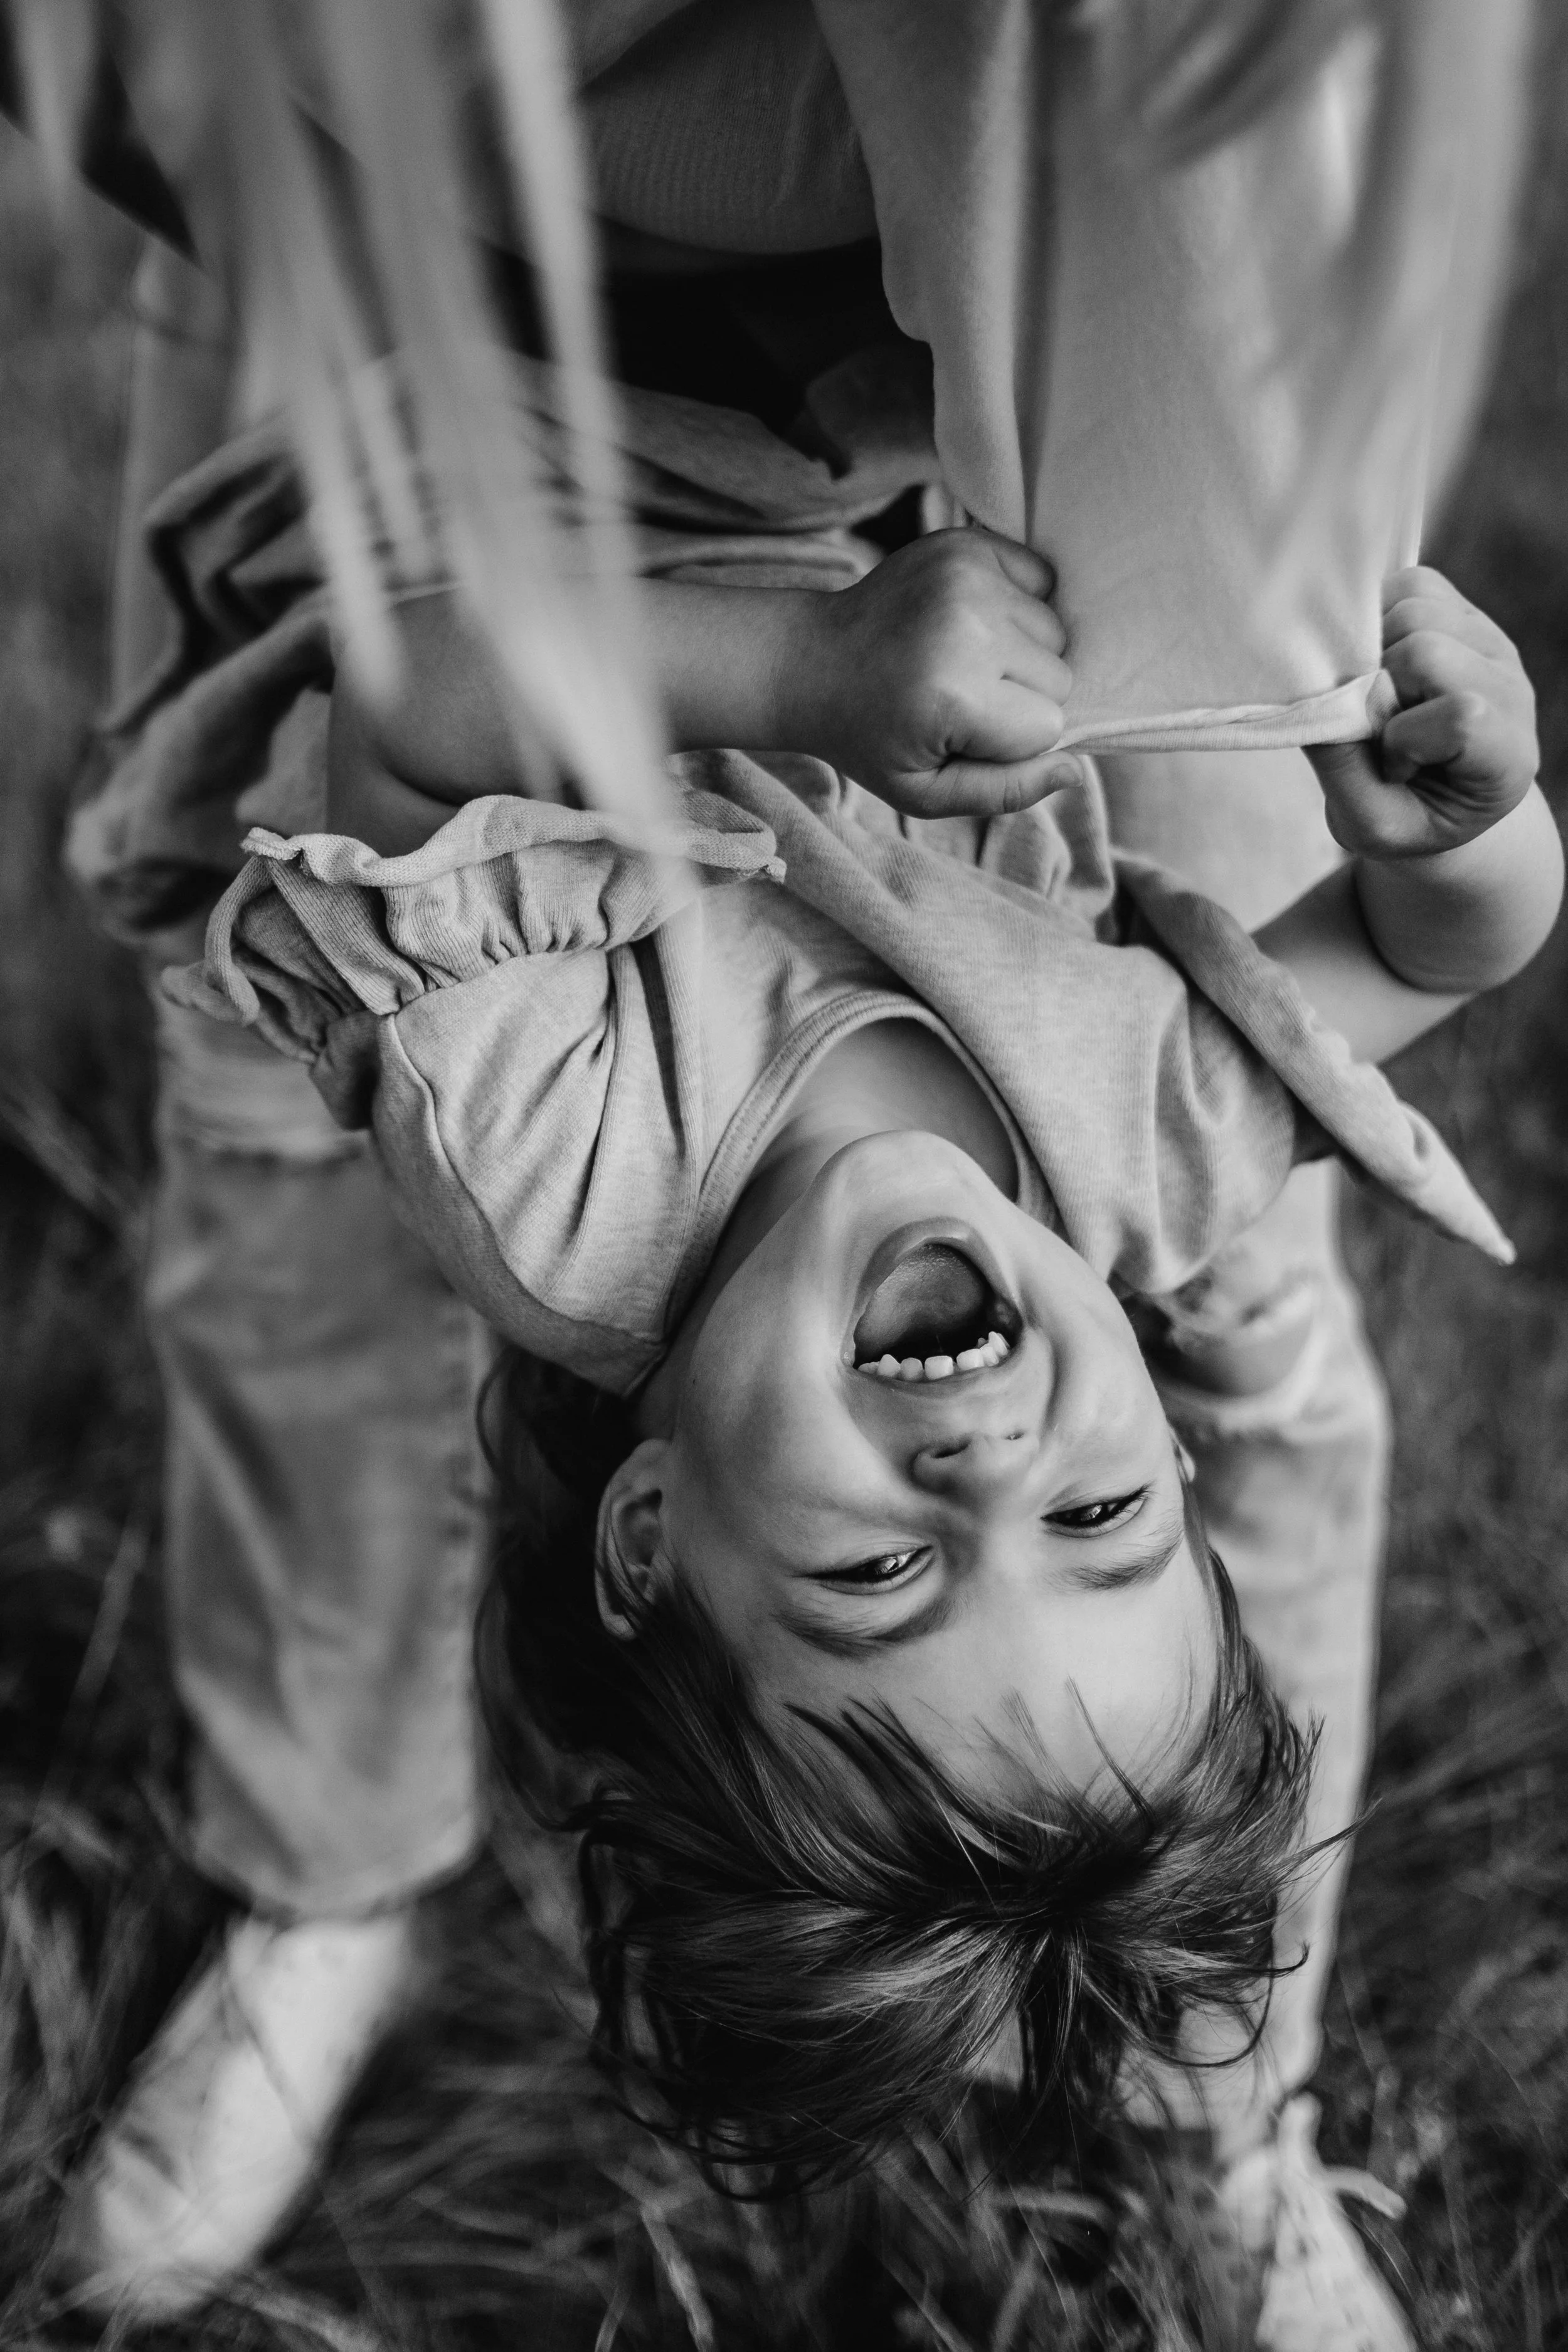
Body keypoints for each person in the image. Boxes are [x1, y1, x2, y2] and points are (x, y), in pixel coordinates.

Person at [175, 538, 1555, 2203]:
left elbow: (405, 704)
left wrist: (805, 668)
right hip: (1049, 512)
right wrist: (1470, 823)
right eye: (1098, 1516)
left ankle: (1229, 2146)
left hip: (584, 455)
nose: (990, 1470)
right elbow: (1421, 957)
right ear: (1174, 1458)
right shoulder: (1138, 1151)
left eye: (881, 1571)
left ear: (649, 1536)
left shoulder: (551, 1177)